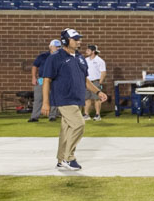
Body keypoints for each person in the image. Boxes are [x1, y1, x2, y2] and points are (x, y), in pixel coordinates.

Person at [42, 29, 107, 170]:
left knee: (66, 130)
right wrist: (45, 102)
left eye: (79, 39)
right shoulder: (55, 57)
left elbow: (85, 80)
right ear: (65, 41)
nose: (79, 41)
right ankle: (69, 158)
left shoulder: (79, 57)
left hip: (77, 99)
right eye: (75, 39)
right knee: (79, 124)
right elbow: (46, 80)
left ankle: (61, 160)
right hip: (63, 98)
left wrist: (98, 91)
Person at [29, 39, 62, 121]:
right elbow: (35, 66)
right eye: (56, 47)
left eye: (59, 47)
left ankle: (52, 116)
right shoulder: (43, 56)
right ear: (50, 47)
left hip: (55, 80)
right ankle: (34, 116)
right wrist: (33, 77)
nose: (58, 48)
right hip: (42, 79)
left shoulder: (61, 56)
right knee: (38, 98)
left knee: (54, 98)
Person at [82, 44, 106, 121]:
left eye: (88, 50)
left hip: (96, 82)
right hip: (87, 82)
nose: (86, 51)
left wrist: (100, 83)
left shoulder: (100, 61)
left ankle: (97, 115)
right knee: (86, 98)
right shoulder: (85, 60)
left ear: (93, 51)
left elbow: (103, 73)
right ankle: (86, 114)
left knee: (97, 99)